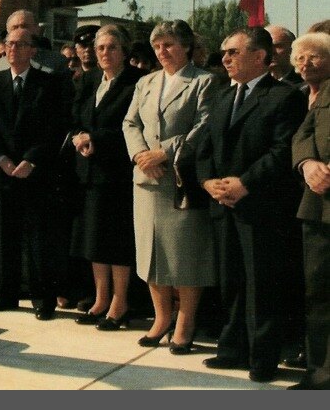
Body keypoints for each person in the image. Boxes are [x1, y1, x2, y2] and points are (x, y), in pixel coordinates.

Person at [195, 27, 306, 383]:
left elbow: (282, 150)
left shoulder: (284, 97)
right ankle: (232, 349)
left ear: (260, 57)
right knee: (232, 282)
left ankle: (263, 358)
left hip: (262, 207)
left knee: (263, 285)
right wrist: (208, 181)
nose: (224, 58)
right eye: (224, 52)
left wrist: (245, 183)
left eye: (233, 52)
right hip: (223, 205)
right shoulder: (221, 97)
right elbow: (205, 149)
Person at [122, 19, 215, 353]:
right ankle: (161, 318)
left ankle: (185, 322)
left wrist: (166, 152)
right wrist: (140, 155)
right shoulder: (146, 82)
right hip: (147, 180)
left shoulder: (204, 81)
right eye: (157, 46)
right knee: (151, 253)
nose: (162, 52)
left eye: (170, 45)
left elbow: (205, 125)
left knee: (184, 254)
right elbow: (130, 121)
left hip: (180, 180)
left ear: (187, 46)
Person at [0, 27, 72, 319]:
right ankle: (7, 292)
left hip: (36, 173)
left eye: (21, 45)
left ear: (33, 50)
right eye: (9, 44)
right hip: (2, 172)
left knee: (37, 238)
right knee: (6, 236)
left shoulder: (49, 84)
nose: (13, 50)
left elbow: (55, 128)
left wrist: (32, 160)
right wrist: (0, 159)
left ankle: (42, 298)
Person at [70, 25, 145, 329]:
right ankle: (101, 297)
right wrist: (78, 137)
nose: (104, 53)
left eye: (111, 47)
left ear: (125, 51)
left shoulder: (136, 83)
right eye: (100, 47)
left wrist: (96, 139)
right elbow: (75, 117)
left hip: (116, 172)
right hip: (88, 171)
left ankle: (120, 301)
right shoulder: (88, 80)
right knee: (93, 238)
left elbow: (133, 127)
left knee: (116, 240)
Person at [291, 41, 330, 390]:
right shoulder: (323, 94)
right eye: (300, 57)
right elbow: (302, 135)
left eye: (313, 56)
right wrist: (307, 163)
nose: (305, 63)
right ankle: (320, 375)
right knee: (318, 292)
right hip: (321, 206)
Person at [0, 11, 68, 75]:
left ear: (37, 29)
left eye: (24, 26)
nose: (20, 31)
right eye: (15, 28)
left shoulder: (56, 62)